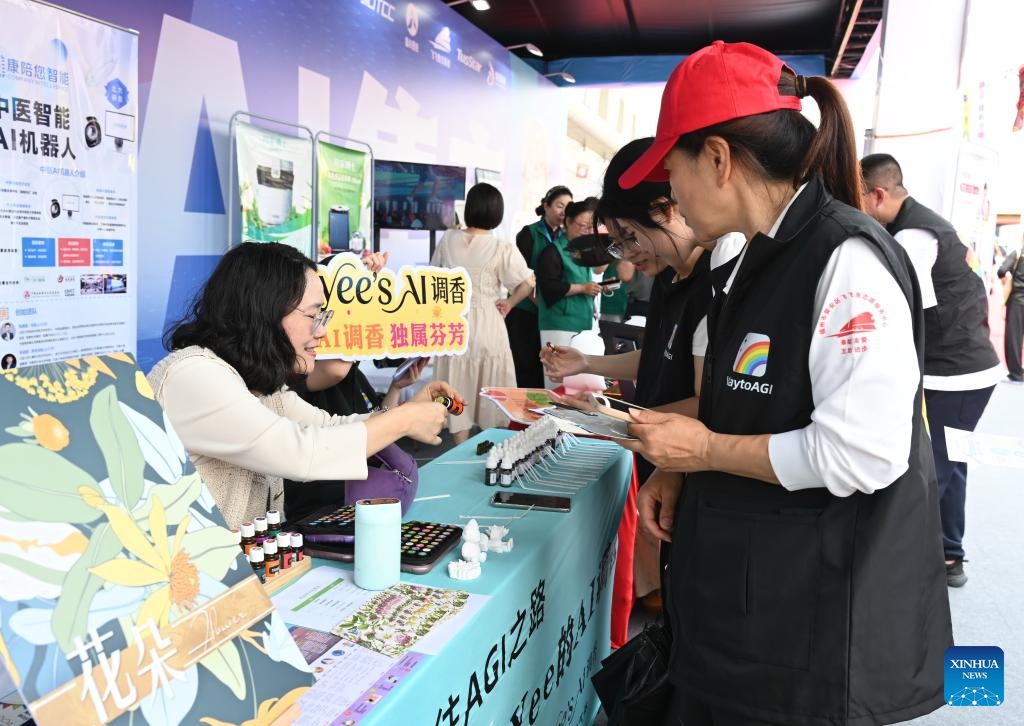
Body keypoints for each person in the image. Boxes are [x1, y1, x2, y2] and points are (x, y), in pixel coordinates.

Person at [618, 41, 950, 725]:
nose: (670, 194)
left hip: (808, 636)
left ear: (716, 158)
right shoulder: (753, 257)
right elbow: (747, 399)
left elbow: (860, 453)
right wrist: (679, 470)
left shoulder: (845, 259)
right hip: (746, 616)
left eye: (671, 173)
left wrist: (703, 451)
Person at [148, 242, 459, 529]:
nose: (323, 331)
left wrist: (410, 411)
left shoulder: (260, 386)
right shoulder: (194, 376)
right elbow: (301, 452)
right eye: (314, 314)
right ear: (264, 311)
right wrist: (403, 420)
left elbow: (328, 428)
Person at [861, 153, 1003, 587]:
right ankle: (950, 555)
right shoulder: (920, 226)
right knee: (952, 462)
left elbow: (906, 313)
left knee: (932, 469)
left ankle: (891, 571)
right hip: (971, 372)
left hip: (955, 375)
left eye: (858, 196)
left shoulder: (914, 235)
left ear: (879, 194)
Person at [430, 182, 535, 444]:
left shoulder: (448, 239)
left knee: (455, 385)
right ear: (496, 212)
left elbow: (432, 278)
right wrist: (510, 302)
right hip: (488, 322)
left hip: (453, 325)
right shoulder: (502, 247)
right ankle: (491, 457)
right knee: (492, 389)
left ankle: (459, 451)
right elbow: (528, 282)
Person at [505, 185, 572, 388]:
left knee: (549, 368)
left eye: (568, 207)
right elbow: (519, 276)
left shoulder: (566, 236)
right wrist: (539, 303)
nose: (563, 212)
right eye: (559, 205)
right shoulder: (529, 234)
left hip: (553, 314)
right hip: (527, 311)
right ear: (546, 206)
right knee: (525, 367)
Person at [535, 197, 602, 387]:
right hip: (558, 323)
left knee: (575, 381)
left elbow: (598, 269)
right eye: (583, 226)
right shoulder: (552, 251)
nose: (588, 231)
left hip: (581, 321)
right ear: (568, 222)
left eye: (591, 227)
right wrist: (583, 288)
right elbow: (548, 288)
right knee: (556, 379)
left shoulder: (582, 250)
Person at [998, 240, 1024, 383]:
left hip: (1018, 301)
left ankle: (1016, 373)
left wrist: (1006, 279)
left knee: (1014, 338)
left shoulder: (1018, 253)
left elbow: (1001, 270)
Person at [598, 258, 635, 323]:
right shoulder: (608, 252)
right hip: (612, 305)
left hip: (636, 304)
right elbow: (597, 271)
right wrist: (610, 252)